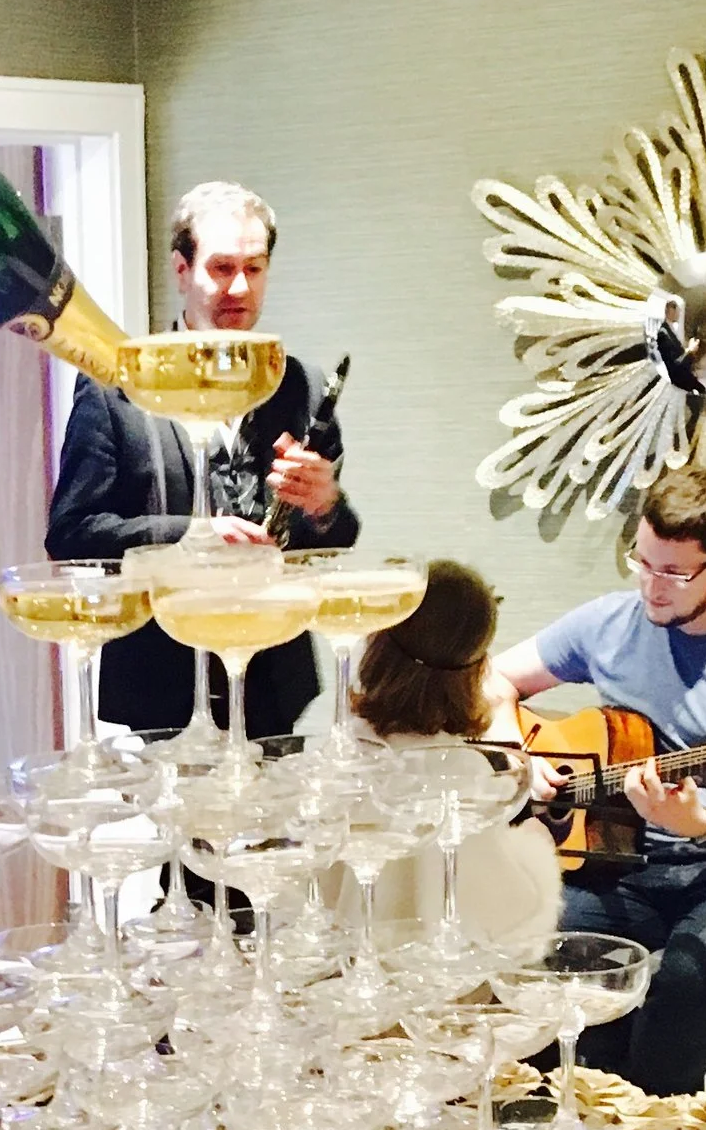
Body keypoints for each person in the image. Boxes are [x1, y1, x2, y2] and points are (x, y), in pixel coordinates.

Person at [493, 462, 706, 1093]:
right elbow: (494, 679)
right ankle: (567, 1123)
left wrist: (703, 821)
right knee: (527, 943)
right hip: (632, 865)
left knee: (690, 975)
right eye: (642, 562)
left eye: (674, 573)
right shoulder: (609, 623)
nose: (652, 587)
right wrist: (522, 761)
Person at [45, 179, 356, 738]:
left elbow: (332, 540)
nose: (239, 286)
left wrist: (324, 503)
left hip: (274, 681)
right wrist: (192, 535)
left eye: (254, 269)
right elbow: (71, 533)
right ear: (181, 269)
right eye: (221, 267)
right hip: (160, 682)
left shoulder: (301, 385)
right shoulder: (117, 388)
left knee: (278, 828)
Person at [349, 559, 559, 953]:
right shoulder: (462, 774)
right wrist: (536, 854)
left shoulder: (341, 751)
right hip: (429, 990)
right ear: (477, 669)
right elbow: (507, 924)